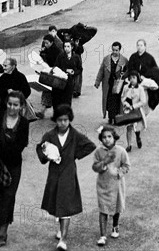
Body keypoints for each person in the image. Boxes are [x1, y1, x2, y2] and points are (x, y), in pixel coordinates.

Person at [36, 105, 96, 251]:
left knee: (66, 206)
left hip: (69, 173)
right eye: (60, 120)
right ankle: (60, 229)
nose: (63, 123)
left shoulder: (75, 135)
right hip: (55, 175)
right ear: (55, 120)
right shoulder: (49, 135)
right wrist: (47, 156)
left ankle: (63, 239)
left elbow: (90, 145)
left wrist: (74, 154)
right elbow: (40, 148)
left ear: (70, 120)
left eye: (66, 120)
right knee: (58, 203)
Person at [0, 91, 30, 247]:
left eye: (16, 105)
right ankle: (1, 221)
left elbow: (21, 144)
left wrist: (2, 148)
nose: (12, 107)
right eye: (10, 104)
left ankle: (3, 231)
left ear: (21, 106)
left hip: (13, 166)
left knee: (8, 196)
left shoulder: (23, 123)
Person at [92, 125, 130, 247]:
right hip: (103, 185)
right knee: (103, 209)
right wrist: (103, 164)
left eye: (109, 137)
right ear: (101, 139)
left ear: (114, 138)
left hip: (117, 185)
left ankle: (115, 226)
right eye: (104, 137)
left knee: (116, 207)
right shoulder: (98, 151)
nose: (107, 139)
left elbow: (126, 166)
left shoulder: (121, 151)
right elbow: (95, 167)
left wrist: (119, 172)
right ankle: (102, 235)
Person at [94, 42, 128, 124]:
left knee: (117, 102)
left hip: (118, 85)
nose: (114, 52)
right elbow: (101, 71)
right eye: (113, 50)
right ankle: (110, 118)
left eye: (116, 50)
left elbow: (128, 71)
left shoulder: (124, 60)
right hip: (108, 84)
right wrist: (97, 82)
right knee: (109, 101)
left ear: (119, 50)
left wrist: (125, 77)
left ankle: (117, 118)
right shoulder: (106, 59)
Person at [121, 70, 149, 152]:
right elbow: (122, 97)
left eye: (134, 78)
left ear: (138, 79)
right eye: (130, 78)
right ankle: (129, 145)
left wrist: (133, 106)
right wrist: (125, 104)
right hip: (128, 110)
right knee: (128, 127)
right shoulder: (126, 87)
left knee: (137, 127)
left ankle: (138, 136)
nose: (132, 80)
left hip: (137, 110)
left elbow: (143, 101)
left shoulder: (140, 89)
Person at [52, 41, 82, 115]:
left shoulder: (76, 57)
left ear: (72, 47)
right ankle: (58, 114)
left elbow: (80, 69)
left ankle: (66, 114)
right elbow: (56, 67)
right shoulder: (60, 56)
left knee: (67, 98)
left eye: (68, 46)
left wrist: (74, 72)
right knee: (58, 98)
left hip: (70, 81)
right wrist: (65, 70)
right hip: (60, 80)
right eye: (65, 46)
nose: (66, 48)